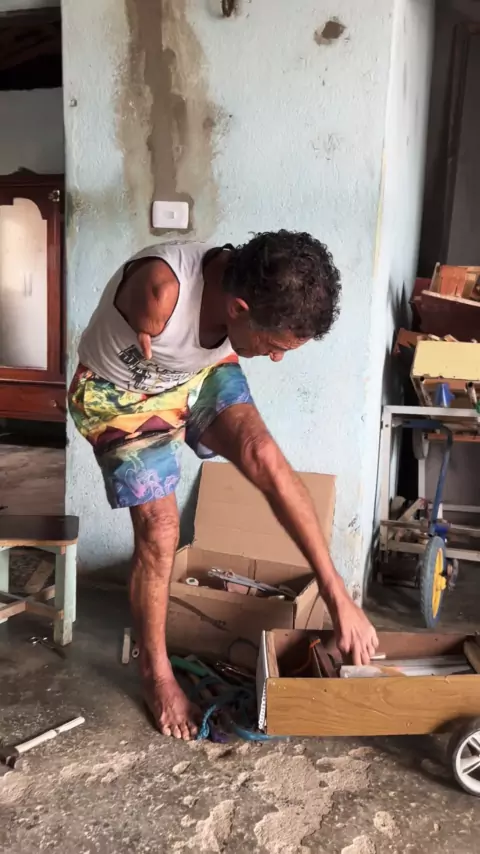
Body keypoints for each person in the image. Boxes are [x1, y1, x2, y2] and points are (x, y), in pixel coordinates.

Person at [69, 230, 378, 740]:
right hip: (121, 393)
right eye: (276, 347)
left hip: (196, 375)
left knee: (265, 458)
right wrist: (153, 365)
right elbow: (145, 305)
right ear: (238, 309)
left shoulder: (243, 283)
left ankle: (337, 590)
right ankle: (156, 674)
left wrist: (337, 596)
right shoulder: (159, 296)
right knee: (161, 530)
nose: (276, 359)